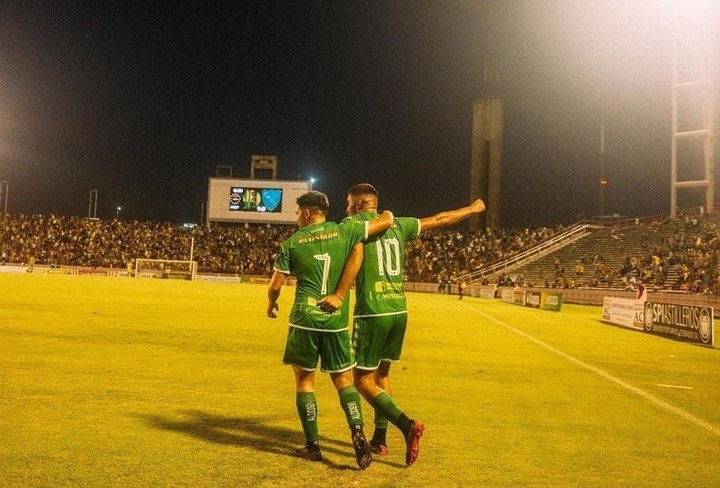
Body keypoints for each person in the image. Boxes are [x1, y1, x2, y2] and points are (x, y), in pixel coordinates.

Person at [319, 183, 485, 466]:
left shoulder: (354, 224)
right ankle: (380, 441)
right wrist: (472, 209)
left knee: (361, 380)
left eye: (348, 203)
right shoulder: (399, 224)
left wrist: (338, 293)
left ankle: (408, 425)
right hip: (399, 309)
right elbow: (440, 219)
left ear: (359, 204)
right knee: (382, 377)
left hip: (372, 311)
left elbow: (356, 256)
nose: (346, 208)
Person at [266, 190, 393, 469]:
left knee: (305, 382)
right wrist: (387, 214)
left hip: (304, 320)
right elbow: (385, 220)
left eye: (299, 212)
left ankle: (312, 446)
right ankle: (358, 432)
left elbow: (276, 285)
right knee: (344, 381)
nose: (297, 217)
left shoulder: (293, 242)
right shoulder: (344, 230)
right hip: (335, 321)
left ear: (308, 213)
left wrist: (271, 304)